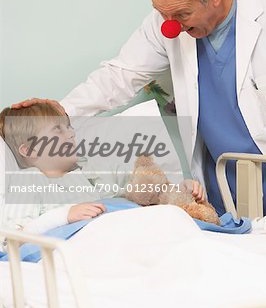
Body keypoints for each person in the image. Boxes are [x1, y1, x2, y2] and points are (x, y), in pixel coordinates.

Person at [11, 0, 266, 224]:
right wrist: (60, 110)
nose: (170, 25)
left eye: (181, 14)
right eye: (163, 14)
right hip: (223, 190)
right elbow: (120, 75)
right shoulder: (166, 21)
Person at [0, 103, 204, 247]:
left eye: (69, 127)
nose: (71, 134)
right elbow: (12, 238)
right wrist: (65, 215)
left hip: (123, 238)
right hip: (82, 247)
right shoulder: (28, 180)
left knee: (171, 219)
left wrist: (181, 190)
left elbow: (146, 190)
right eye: (58, 130)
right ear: (30, 150)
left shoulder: (92, 170)